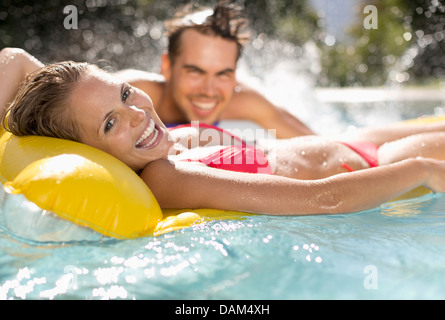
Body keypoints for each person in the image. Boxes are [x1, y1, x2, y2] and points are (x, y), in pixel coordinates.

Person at [3, 50, 445, 217]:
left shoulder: (152, 143)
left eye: (123, 93)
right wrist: (420, 169)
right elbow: (323, 200)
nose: (136, 113)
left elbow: (16, 60)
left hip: (347, 141)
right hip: (370, 165)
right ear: (87, 151)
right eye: (110, 123)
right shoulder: (165, 177)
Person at [114, 1, 445, 146]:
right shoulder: (132, 94)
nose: (210, 90)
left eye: (224, 73)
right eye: (195, 71)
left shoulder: (244, 102)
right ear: (167, 67)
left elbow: (324, 145)